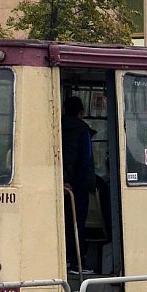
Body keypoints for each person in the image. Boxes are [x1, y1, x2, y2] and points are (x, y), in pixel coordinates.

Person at [61, 96, 96, 274]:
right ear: (81, 112)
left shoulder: (58, 127)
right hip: (78, 186)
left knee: (64, 222)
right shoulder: (83, 131)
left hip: (62, 183)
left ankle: (66, 258)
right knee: (78, 222)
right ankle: (78, 262)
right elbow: (86, 159)